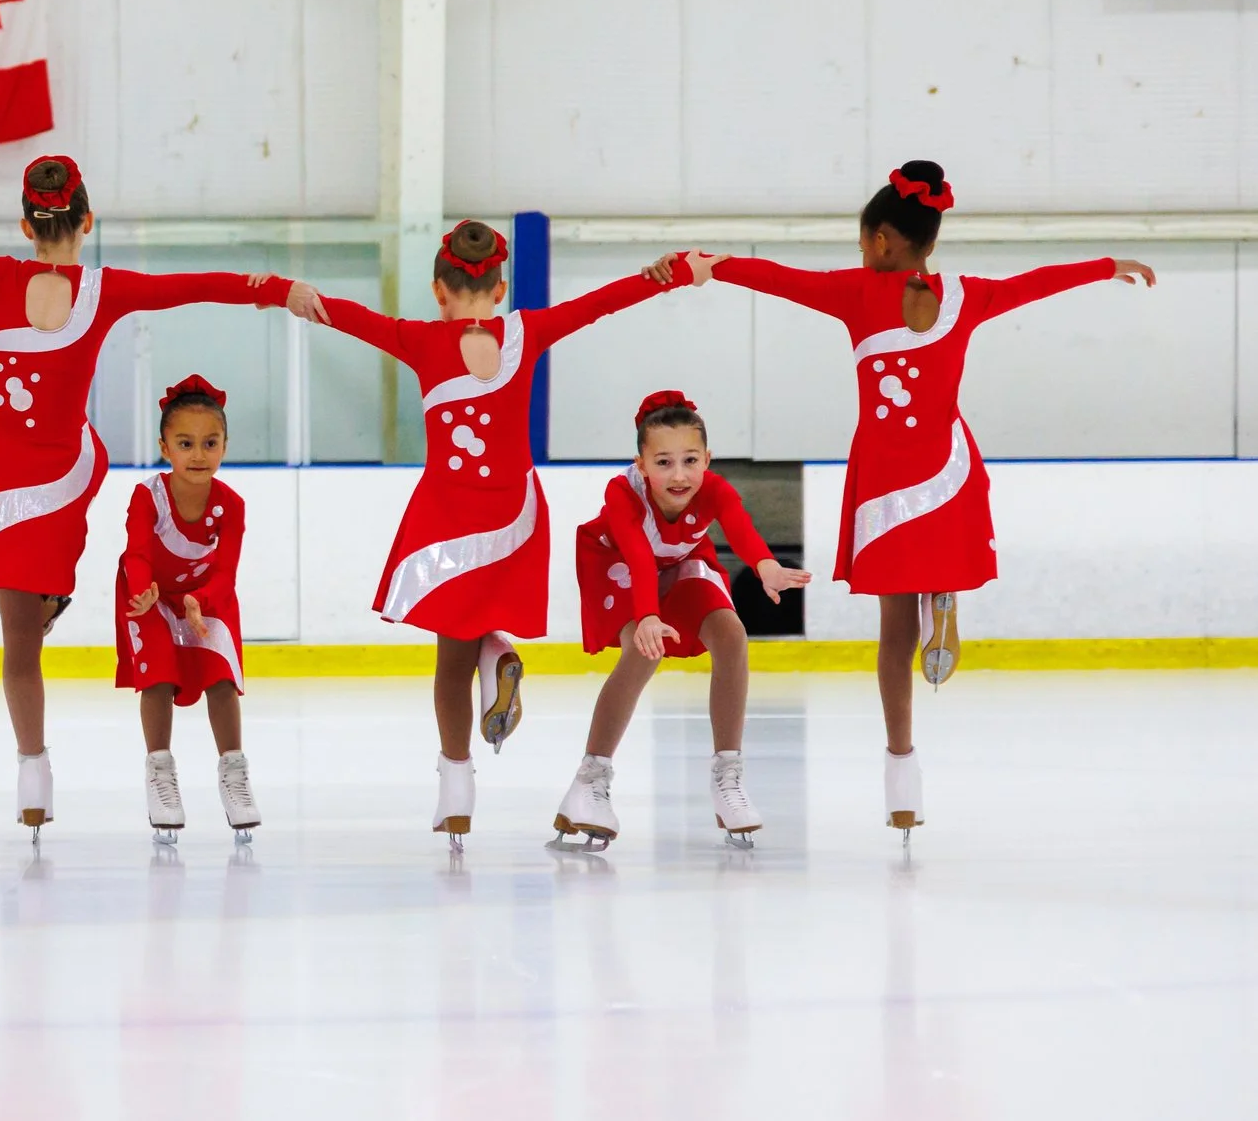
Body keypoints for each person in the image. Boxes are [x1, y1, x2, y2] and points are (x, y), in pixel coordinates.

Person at [0, 155, 315, 839]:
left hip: (0, 476)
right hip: (62, 475)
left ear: (26, 224)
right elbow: (195, 285)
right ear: (87, 222)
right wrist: (273, 287)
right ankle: (54, 593)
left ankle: (32, 767)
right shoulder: (105, 287)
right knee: (88, 462)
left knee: (18, 643)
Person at [707, 162, 1155, 842]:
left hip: (888, 482)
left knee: (894, 636)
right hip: (944, 470)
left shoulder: (856, 293)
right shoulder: (968, 295)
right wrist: (1105, 265)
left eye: (862, 244)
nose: (860, 255)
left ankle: (901, 776)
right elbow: (1033, 285)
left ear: (884, 238)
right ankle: (944, 590)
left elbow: (777, 280)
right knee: (923, 596)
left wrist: (707, 264)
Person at [298, 220, 707, 851]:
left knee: (448, 658)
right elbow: (598, 306)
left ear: (440, 290)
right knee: (480, 624)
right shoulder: (527, 330)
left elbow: (344, 316)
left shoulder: (420, 339)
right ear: (502, 286)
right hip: (513, 513)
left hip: (450, 514)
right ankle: (499, 654)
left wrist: (283, 291)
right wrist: (667, 274)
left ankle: (456, 783)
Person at [559, 391, 812, 849]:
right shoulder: (621, 493)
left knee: (732, 635)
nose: (679, 475)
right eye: (663, 463)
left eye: (690, 460)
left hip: (681, 559)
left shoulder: (715, 489)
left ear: (708, 459)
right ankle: (589, 780)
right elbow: (637, 554)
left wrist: (764, 565)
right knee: (642, 649)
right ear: (641, 464)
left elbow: (739, 527)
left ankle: (727, 777)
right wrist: (649, 615)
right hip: (616, 562)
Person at [117, 375, 257, 842]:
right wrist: (143, 591)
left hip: (208, 598)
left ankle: (234, 774)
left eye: (209, 443)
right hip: (148, 595)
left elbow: (227, 572)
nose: (198, 454)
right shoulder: (147, 496)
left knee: (221, 677)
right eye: (185, 443)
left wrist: (203, 601)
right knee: (158, 675)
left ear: (224, 446)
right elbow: (136, 552)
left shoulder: (231, 505)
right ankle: (160, 773)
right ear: (165, 448)